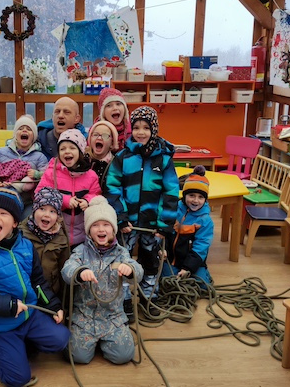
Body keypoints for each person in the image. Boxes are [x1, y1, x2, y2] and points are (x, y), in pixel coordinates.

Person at [0, 187, 70, 387]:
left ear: (15, 222)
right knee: (17, 379)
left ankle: (19, 345)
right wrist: (8, 305)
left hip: (28, 316)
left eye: (3, 213)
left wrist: (53, 305)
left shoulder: (26, 246)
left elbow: (38, 281)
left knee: (61, 339)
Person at [104, 106, 179, 307]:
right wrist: (120, 217)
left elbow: (171, 192)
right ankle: (124, 298)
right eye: (136, 127)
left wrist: (165, 224)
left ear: (153, 130)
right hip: (128, 224)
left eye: (146, 128)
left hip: (152, 224)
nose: (141, 132)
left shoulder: (164, 159)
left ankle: (149, 295)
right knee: (123, 259)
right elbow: (112, 187)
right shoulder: (123, 157)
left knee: (151, 259)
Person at [61, 196, 143, 364]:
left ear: (113, 229)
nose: (101, 229)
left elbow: (138, 271)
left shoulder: (121, 253)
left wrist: (130, 270)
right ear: (88, 230)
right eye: (95, 225)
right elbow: (67, 269)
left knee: (123, 356)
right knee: (77, 356)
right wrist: (80, 272)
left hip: (113, 317)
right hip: (84, 316)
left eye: (106, 224)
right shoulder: (80, 251)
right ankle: (91, 343)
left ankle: (104, 342)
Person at [36, 129, 101, 248]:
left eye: (72, 148)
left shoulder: (91, 175)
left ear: (80, 151)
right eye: (62, 149)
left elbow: (96, 194)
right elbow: (40, 194)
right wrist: (64, 200)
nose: (67, 151)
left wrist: (87, 200)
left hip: (82, 234)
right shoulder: (52, 173)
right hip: (56, 232)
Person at [163, 166, 214, 285]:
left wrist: (187, 268)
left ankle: (203, 273)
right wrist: (162, 249)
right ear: (184, 195)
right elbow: (163, 232)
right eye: (191, 195)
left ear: (205, 199)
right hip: (171, 259)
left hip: (193, 261)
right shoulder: (173, 210)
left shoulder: (205, 221)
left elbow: (201, 247)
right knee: (167, 283)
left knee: (201, 286)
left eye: (200, 197)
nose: (195, 200)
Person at [19, 186, 70, 300]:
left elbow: (64, 271)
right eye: (42, 209)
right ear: (34, 210)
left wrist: (64, 302)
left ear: (57, 216)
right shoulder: (21, 234)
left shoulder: (61, 239)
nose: (47, 214)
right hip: (26, 293)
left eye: (52, 211)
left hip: (51, 293)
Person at [0, 114, 49, 216]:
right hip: (3, 196)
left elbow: (48, 176)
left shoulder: (39, 157)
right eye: (20, 128)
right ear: (15, 134)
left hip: (27, 200)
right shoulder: (2, 152)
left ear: (34, 136)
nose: (24, 130)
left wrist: (37, 174)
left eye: (29, 129)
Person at [95, 87, 131, 151]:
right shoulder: (95, 132)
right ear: (103, 112)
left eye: (118, 104)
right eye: (109, 105)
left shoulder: (133, 129)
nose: (115, 108)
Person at [86, 119, 118, 189]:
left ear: (112, 143)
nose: (99, 138)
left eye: (105, 135)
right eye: (95, 135)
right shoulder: (84, 160)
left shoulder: (115, 164)